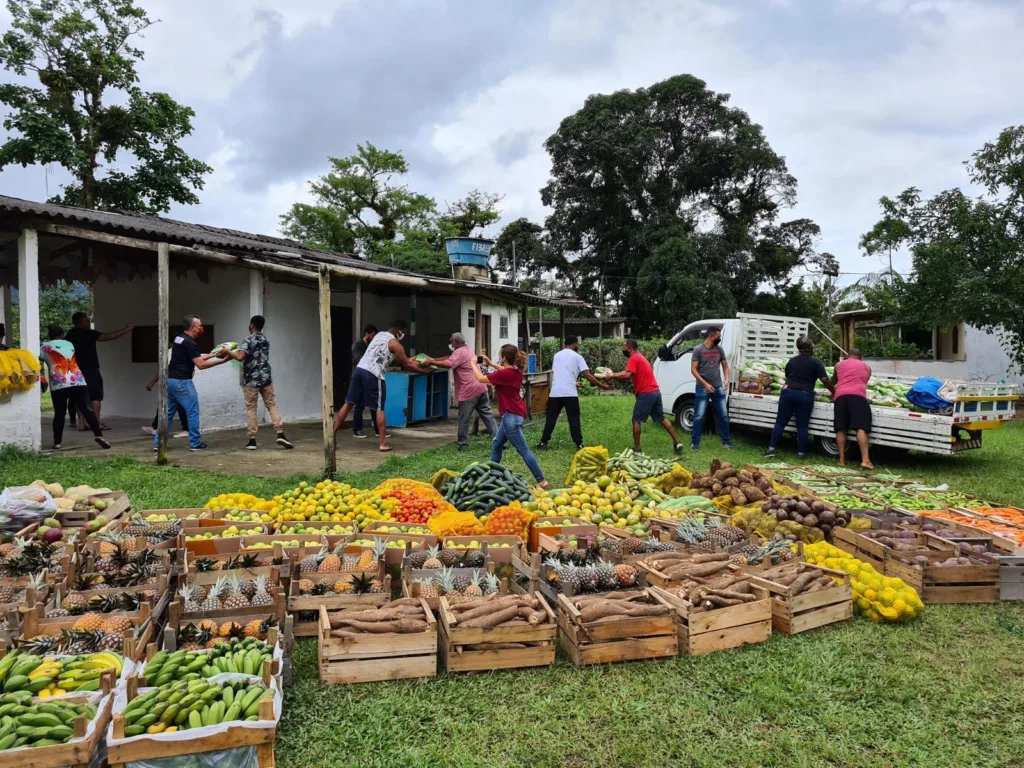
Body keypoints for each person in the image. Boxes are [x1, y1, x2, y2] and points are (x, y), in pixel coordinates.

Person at [332, 320, 425, 452]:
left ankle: (332, 435)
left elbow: (388, 357)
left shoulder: (379, 335)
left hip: (359, 370)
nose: (403, 334)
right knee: (379, 408)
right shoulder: (396, 344)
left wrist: (409, 359)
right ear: (398, 331)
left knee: (348, 403)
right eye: (403, 331)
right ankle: (383, 443)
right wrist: (425, 371)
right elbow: (406, 365)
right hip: (374, 374)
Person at [467, 344, 548, 489]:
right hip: (514, 414)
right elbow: (504, 370)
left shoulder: (505, 374)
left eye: (500, 356)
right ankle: (491, 476)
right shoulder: (517, 371)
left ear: (504, 357)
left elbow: (480, 378)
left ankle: (541, 480)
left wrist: (473, 363)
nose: (499, 358)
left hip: (511, 417)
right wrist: (491, 363)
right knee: (497, 444)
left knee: (523, 450)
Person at [153, 315, 230, 452]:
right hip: (182, 382)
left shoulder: (179, 339)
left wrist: (214, 354)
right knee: (193, 412)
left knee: (168, 414)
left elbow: (194, 356)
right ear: (193, 327)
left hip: (170, 381)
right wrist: (222, 361)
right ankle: (195, 443)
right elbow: (200, 364)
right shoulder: (190, 342)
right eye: (199, 325)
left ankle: (159, 443)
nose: (201, 328)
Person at [217, 315, 294, 450]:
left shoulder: (248, 340)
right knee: (272, 405)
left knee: (251, 408)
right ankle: (280, 433)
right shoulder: (266, 339)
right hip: (266, 377)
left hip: (251, 379)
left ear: (251, 325)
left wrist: (227, 351)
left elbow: (241, 357)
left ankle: (252, 440)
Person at [604, 338, 683, 454]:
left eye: (624, 348)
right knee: (661, 418)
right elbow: (632, 374)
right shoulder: (640, 357)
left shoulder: (633, 358)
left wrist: (612, 376)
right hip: (655, 392)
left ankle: (637, 449)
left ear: (630, 348)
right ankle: (677, 442)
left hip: (647, 394)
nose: (623, 350)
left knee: (636, 420)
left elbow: (627, 374)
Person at [39, 326, 110, 450]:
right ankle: (99, 436)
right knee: (87, 410)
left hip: (58, 383)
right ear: (62, 334)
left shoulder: (44, 347)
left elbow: (39, 358)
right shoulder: (70, 344)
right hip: (77, 380)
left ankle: (57, 443)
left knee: (59, 413)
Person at [423, 332, 496, 452]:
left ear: (455, 342)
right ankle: (498, 440)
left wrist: (431, 362)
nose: (449, 343)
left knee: (464, 419)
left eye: (451, 341)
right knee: (488, 416)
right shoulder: (468, 349)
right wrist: (432, 359)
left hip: (469, 391)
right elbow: (449, 358)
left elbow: (448, 364)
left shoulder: (459, 352)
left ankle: (463, 445)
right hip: (481, 387)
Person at [765, 336, 835, 459]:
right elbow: (824, 379)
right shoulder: (816, 362)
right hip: (805, 395)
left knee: (780, 423)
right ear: (809, 348)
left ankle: (771, 450)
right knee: (802, 426)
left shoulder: (791, 361)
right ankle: (801, 453)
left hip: (788, 393)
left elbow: (788, 376)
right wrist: (834, 391)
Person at [537, 336, 611, 451]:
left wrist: (574, 383)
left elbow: (561, 374)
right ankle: (579, 444)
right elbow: (588, 375)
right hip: (570, 394)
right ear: (575, 344)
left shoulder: (557, 355)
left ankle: (543, 443)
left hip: (555, 393)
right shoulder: (578, 357)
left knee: (551, 419)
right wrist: (602, 386)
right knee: (573, 419)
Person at [64, 312, 132, 431]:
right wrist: (127, 329)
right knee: (95, 396)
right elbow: (108, 336)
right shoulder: (88, 334)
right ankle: (95, 423)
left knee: (80, 396)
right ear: (81, 321)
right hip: (90, 369)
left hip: (75, 369)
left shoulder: (70, 334)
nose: (88, 322)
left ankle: (82, 423)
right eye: (86, 320)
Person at [831, 348, 874, 469]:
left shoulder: (838, 365)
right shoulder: (867, 367)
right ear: (860, 358)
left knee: (841, 428)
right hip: (858, 397)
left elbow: (834, 379)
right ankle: (865, 460)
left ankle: (841, 461)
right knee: (861, 428)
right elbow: (864, 381)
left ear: (847, 356)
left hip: (840, 397)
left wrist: (832, 393)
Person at [690, 327, 732, 451]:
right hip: (702, 388)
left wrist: (727, 379)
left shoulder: (719, 349)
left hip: (718, 387)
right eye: (717, 337)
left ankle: (726, 442)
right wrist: (705, 384)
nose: (719, 339)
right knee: (699, 416)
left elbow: (725, 366)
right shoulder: (698, 349)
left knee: (723, 416)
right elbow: (693, 370)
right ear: (710, 336)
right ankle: (695, 443)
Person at [143, 346, 189, 438]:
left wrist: (152, 382)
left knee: (177, 406)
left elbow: (165, 368)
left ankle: (187, 429)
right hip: (177, 382)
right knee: (164, 405)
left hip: (176, 382)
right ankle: (156, 427)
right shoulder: (181, 350)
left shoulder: (173, 351)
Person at [349, 325, 382, 439]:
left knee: (374, 405)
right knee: (359, 405)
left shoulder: (372, 346)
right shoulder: (357, 346)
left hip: (371, 377)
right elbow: (360, 360)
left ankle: (378, 430)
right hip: (360, 378)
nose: (373, 338)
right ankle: (357, 429)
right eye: (372, 335)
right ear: (366, 334)